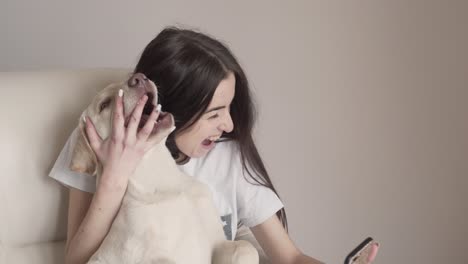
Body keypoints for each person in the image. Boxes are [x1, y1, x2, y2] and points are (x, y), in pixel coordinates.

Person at [49, 26, 378, 264]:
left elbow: (289, 257)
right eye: (215, 114)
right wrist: (114, 179)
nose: (230, 126)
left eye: (229, 109)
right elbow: (76, 261)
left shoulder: (228, 156)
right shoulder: (101, 138)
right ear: (171, 109)